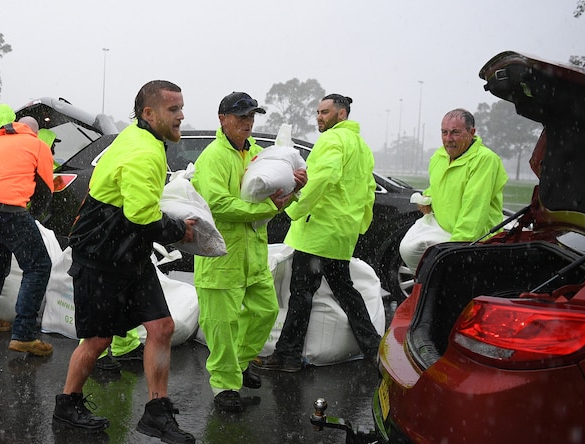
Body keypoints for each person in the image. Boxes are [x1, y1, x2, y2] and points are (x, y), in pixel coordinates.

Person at [53, 80, 197, 444]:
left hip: (127, 252)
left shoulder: (144, 140)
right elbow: (142, 217)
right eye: (173, 110)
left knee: (161, 327)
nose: (181, 116)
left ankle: (156, 412)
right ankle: (67, 405)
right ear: (148, 113)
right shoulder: (143, 151)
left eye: (181, 108)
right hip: (101, 255)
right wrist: (181, 230)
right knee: (98, 339)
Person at [192, 91, 303, 412]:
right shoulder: (213, 157)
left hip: (253, 254)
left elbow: (273, 195)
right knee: (222, 324)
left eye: (252, 116)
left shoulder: (257, 153)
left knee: (266, 311)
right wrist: (269, 207)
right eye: (241, 117)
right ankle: (223, 387)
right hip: (221, 255)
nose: (248, 123)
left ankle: (239, 364)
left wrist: (295, 189)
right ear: (222, 119)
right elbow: (218, 204)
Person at [257, 94, 380, 372]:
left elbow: (320, 178)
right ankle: (373, 348)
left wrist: (293, 206)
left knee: (300, 293)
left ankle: (287, 356)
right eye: (318, 112)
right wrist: (359, 223)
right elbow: (367, 189)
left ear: (342, 114)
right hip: (340, 232)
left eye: (325, 112)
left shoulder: (332, 140)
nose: (319, 117)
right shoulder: (361, 146)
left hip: (318, 230)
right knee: (344, 289)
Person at [0, 115, 56, 356]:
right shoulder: (38, 145)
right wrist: (34, 217)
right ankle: (24, 334)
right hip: (9, 209)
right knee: (38, 266)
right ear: (34, 131)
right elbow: (46, 189)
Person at [399, 108, 508, 272]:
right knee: (410, 250)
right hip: (442, 231)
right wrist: (427, 199)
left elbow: (475, 209)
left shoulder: (484, 159)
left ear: (472, 132)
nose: (448, 139)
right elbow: (437, 187)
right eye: (444, 132)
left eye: (455, 132)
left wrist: (455, 249)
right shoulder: (439, 156)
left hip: (475, 241)